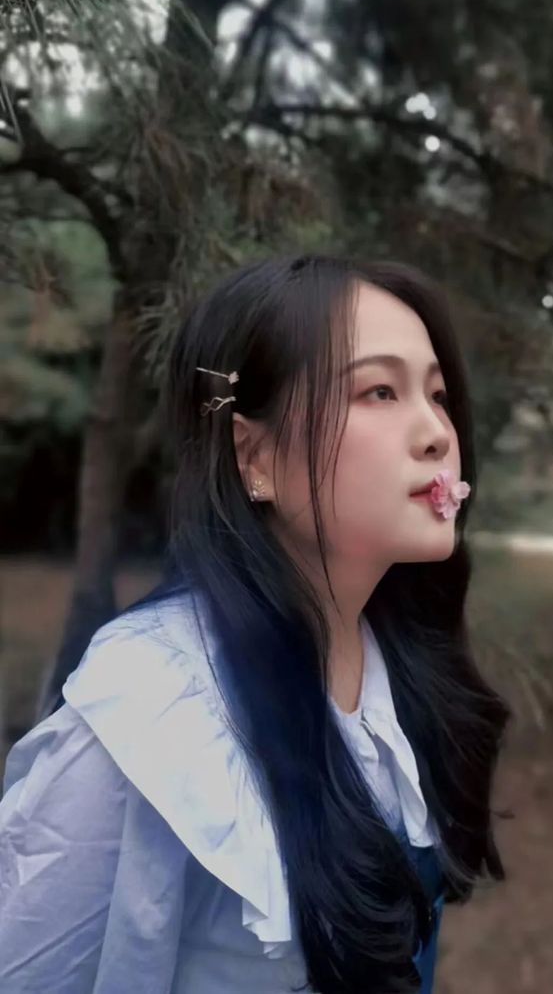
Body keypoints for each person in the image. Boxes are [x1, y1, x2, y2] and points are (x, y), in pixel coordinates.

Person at [0, 254, 511, 993]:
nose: (437, 432)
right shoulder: (151, 717)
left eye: (437, 395)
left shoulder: (402, 669)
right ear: (255, 456)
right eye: (378, 390)